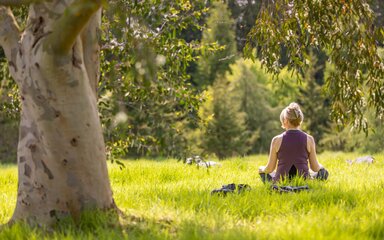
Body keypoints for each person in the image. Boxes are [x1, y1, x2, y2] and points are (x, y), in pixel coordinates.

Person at [258, 102, 328, 183]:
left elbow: (270, 169)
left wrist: (261, 168)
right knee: (323, 173)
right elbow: (315, 167)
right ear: (299, 120)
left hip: (281, 182)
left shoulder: (276, 140)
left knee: (263, 173)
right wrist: (322, 167)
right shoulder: (309, 139)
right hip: (304, 181)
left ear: (286, 121)